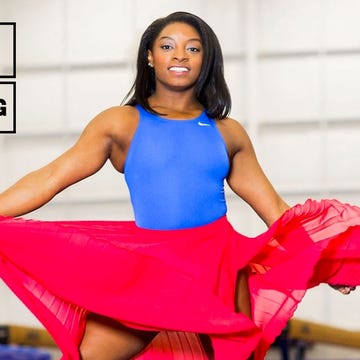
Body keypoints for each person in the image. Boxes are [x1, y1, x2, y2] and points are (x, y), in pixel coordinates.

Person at [0, 11, 359, 360]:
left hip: (219, 263)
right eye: (168, 46)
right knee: (91, 355)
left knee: (239, 354)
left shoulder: (227, 131)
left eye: (193, 48)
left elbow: (277, 213)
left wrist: (329, 266)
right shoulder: (119, 123)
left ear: (207, 59)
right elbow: (50, 177)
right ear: (150, 57)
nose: (180, 55)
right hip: (153, 267)